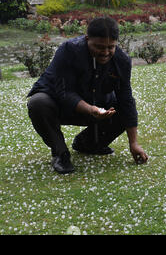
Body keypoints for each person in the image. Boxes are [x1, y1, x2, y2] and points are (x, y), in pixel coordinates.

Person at [27, 16, 148, 174]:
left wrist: (134, 143)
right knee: (38, 102)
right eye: (99, 46)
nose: (105, 52)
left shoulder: (122, 60)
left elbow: (126, 99)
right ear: (87, 39)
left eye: (110, 47)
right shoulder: (69, 50)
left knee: (123, 109)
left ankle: (88, 144)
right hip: (61, 106)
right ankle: (60, 153)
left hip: (97, 107)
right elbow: (64, 92)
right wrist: (90, 109)